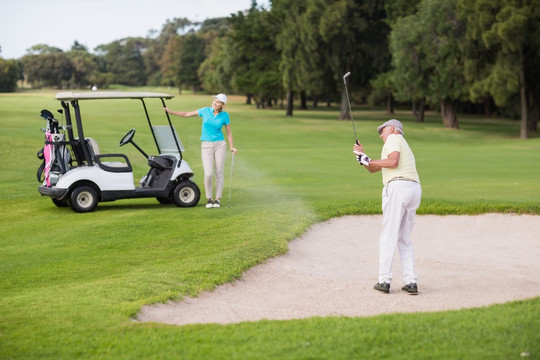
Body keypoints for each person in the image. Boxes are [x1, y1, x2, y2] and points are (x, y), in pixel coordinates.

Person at [353, 119, 421, 295]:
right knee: (404, 238)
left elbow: (393, 162)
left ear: (391, 129)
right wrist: (362, 158)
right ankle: (411, 281)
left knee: (389, 235)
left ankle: (384, 280)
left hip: (398, 188)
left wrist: (368, 159)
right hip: (413, 189)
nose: (381, 135)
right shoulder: (400, 143)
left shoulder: (394, 139)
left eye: (382, 131)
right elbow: (374, 168)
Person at [164, 93, 237, 208]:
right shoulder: (205, 111)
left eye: (218, 102)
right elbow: (187, 114)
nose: (215, 103)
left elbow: (228, 131)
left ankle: (217, 199)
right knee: (208, 174)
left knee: (219, 173)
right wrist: (171, 112)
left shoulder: (225, 116)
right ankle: (209, 199)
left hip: (220, 145)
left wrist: (232, 146)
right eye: (214, 100)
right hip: (206, 145)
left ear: (222, 105)